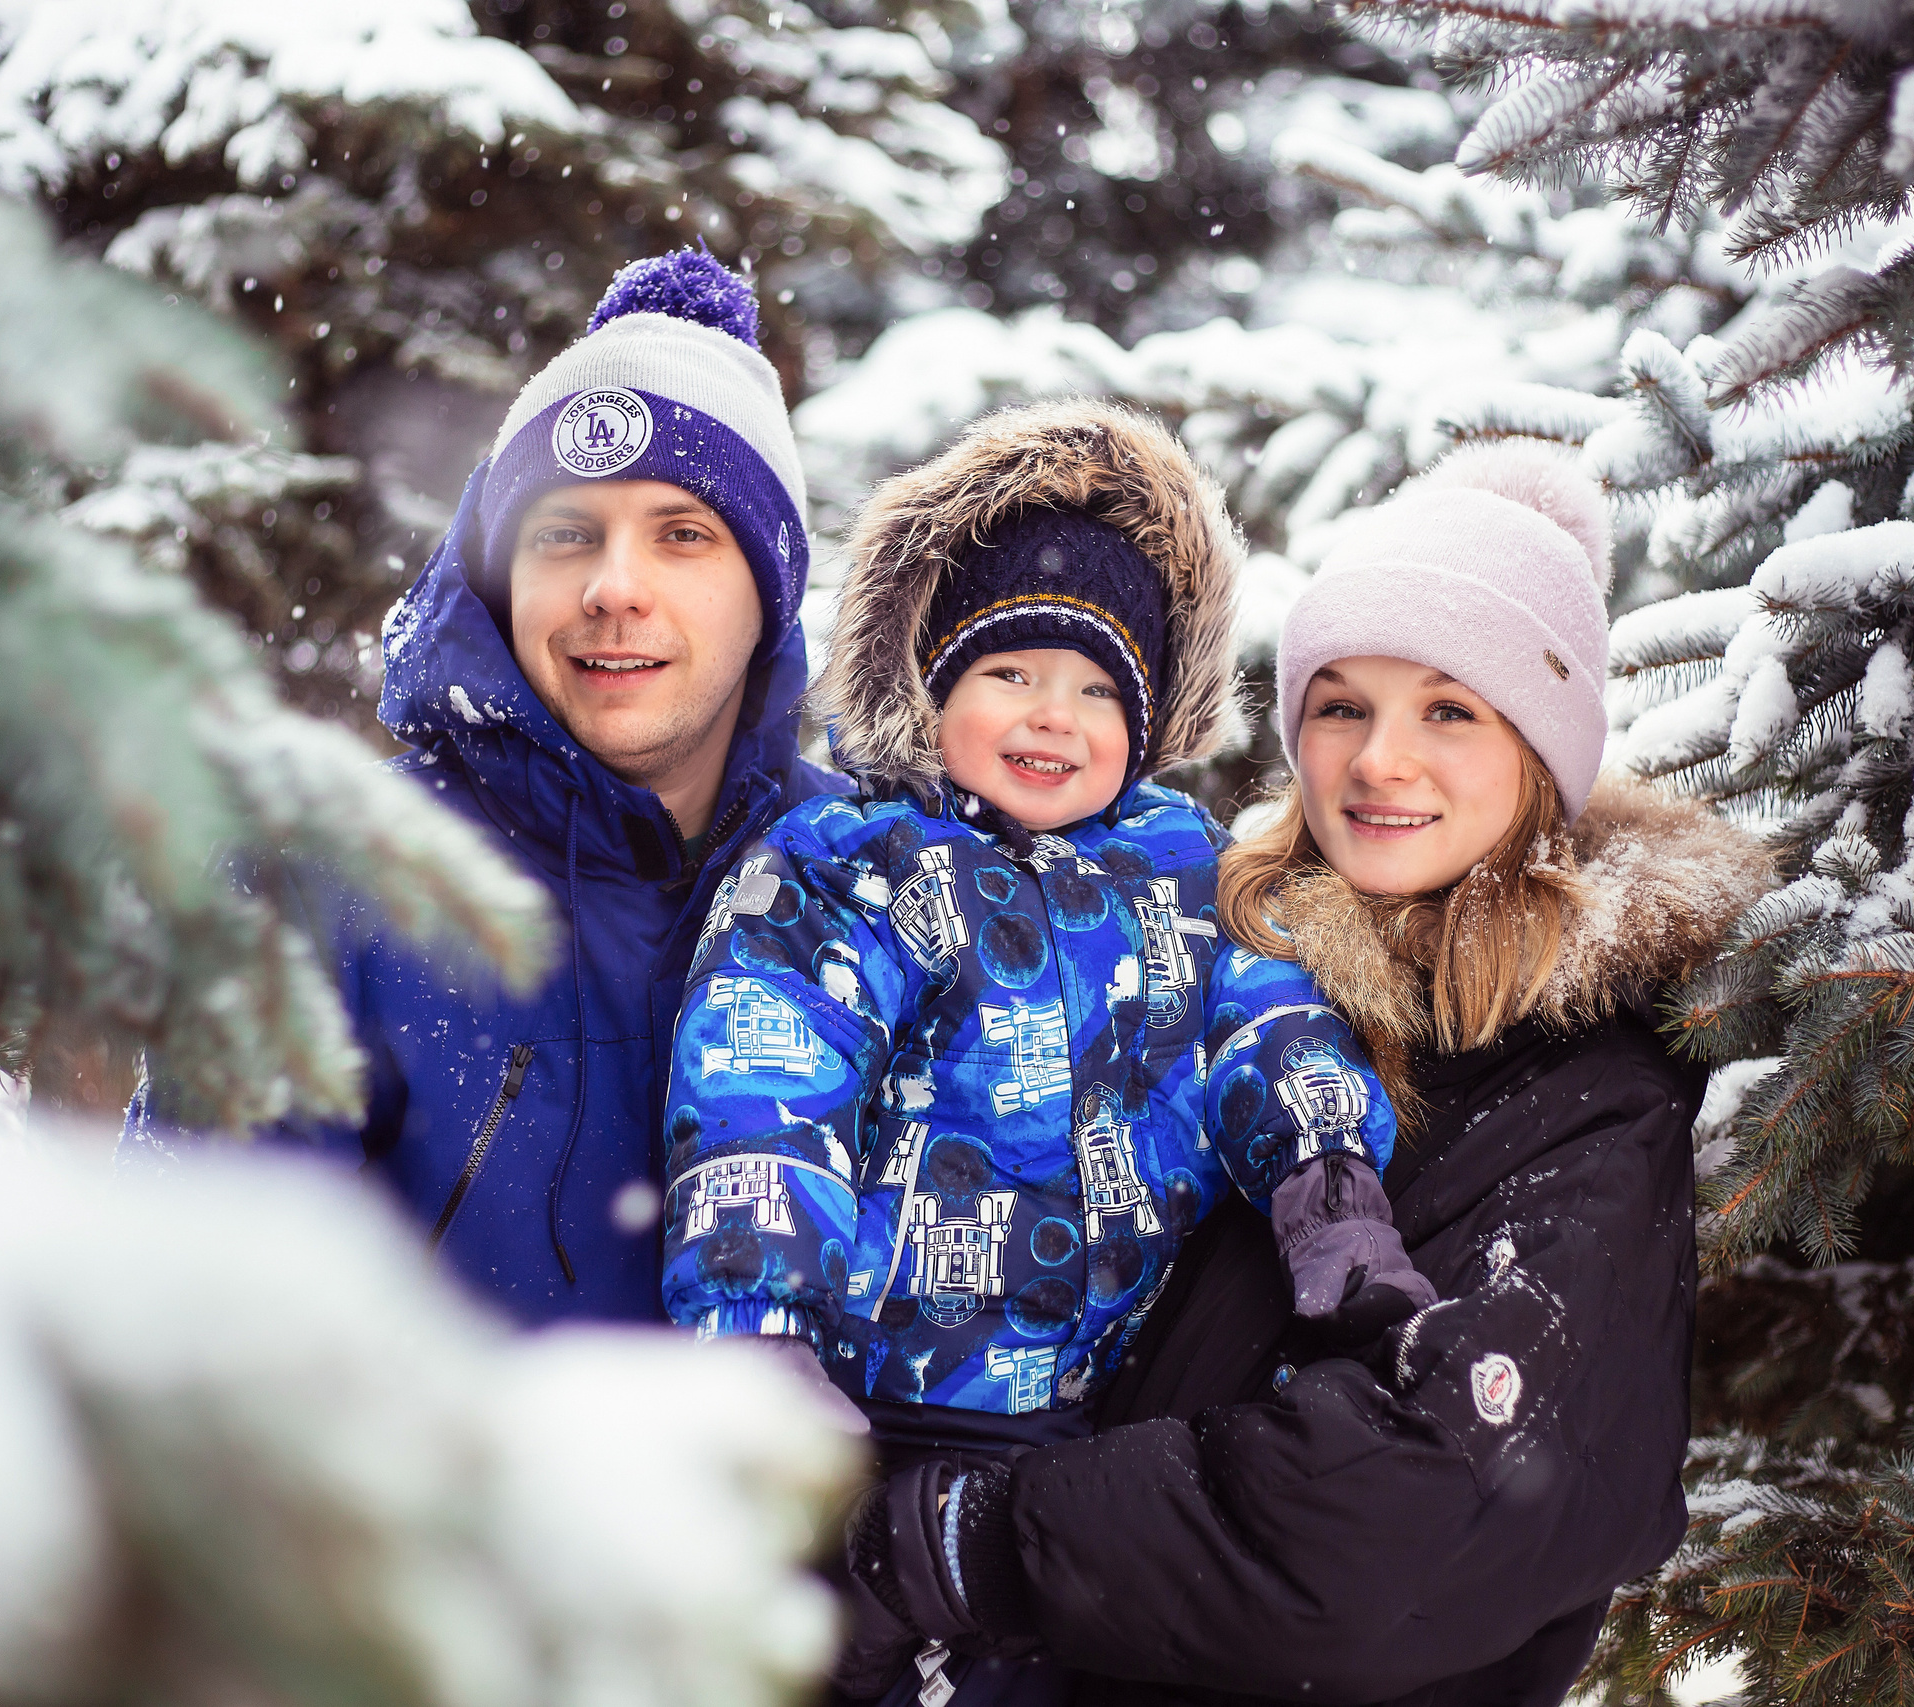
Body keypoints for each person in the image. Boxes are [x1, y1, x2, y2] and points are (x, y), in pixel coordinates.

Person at [833, 442, 1778, 1705]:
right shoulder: (1212, 978)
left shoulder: (1589, 1096)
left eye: (1451, 708)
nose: (1382, 760)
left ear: (1543, 754)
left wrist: (968, 1538)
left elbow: (1402, 1524)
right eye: (1343, 705)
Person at [660, 398, 1432, 1704]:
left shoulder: (1186, 866)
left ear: (1149, 715)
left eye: (1094, 687)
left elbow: (1269, 1022)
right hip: (866, 1415)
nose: (1052, 716)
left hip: (1090, 1420)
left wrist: (1327, 1187)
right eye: (1009, 673)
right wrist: (759, 1327)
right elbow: (766, 1084)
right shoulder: (853, 862)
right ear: (932, 684)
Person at [122, 249, 842, 1324]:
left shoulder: (875, 880)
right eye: (565, 534)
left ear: (770, 590)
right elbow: (196, 1324)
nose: (612, 589)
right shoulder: (329, 878)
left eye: (683, 535)